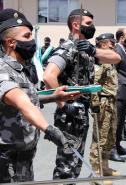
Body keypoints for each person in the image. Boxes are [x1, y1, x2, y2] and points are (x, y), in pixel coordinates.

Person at [0, 8, 80, 183]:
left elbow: (28, 96)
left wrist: (54, 96)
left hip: (24, 155)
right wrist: (51, 130)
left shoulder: (20, 69)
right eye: (27, 36)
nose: (32, 41)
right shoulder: (2, 69)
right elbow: (21, 102)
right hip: (8, 159)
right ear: (11, 42)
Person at [44, 9, 121, 179]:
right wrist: (63, 105)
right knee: (67, 164)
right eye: (88, 23)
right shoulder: (68, 47)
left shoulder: (87, 49)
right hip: (70, 114)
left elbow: (116, 58)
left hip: (81, 112)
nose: (92, 27)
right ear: (76, 25)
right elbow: (49, 76)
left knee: (75, 163)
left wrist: (94, 51)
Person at [89, 33, 120, 184]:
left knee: (109, 138)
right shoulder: (100, 61)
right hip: (102, 103)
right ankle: (96, 172)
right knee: (99, 139)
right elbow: (94, 85)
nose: (113, 45)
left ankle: (105, 167)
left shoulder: (110, 59)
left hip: (111, 102)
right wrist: (95, 104)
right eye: (110, 43)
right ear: (102, 45)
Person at [113, 28, 126, 157]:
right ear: (121, 38)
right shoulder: (116, 50)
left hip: (125, 90)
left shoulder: (124, 50)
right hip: (119, 90)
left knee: (121, 122)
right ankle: (112, 149)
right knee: (116, 121)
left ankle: (118, 145)